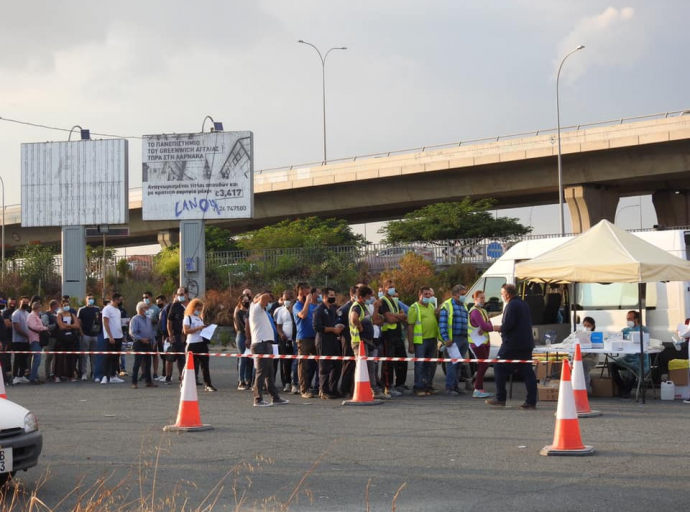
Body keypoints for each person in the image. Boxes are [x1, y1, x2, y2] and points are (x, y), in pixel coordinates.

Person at [486, 284, 537, 409]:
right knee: (527, 372)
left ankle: (500, 397)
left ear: (508, 294)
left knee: (498, 366)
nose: (502, 296)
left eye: (502, 293)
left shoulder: (511, 305)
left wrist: (495, 328)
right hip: (526, 343)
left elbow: (508, 325)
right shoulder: (523, 304)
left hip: (513, 344)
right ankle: (531, 401)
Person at [249, 291, 289, 407]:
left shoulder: (261, 310)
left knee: (270, 372)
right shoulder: (255, 308)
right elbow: (265, 296)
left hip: (266, 343)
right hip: (260, 343)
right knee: (261, 373)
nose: (268, 303)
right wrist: (258, 299)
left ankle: (275, 397)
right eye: (266, 302)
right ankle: (257, 399)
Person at [349, 286, 388, 399]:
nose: (371, 298)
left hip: (368, 342)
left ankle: (374, 390)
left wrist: (376, 309)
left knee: (370, 366)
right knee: (362, 367)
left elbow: (374, 320)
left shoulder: (364, 307)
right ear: (361, 297)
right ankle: (361, 391)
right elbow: (354, 319)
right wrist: (360, 328)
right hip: (359, 342)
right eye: (368, 296)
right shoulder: (356, 307)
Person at [608, 310, 650, 399]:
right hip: (628, 357)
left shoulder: (643, 329)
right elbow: (616, 338)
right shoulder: (625, 330)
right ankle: (621, 386)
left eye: (630, 319)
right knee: (612, 364)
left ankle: (626, 391)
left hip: (639, 358)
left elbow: (644, 342)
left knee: (632, 367)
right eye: (627, 319)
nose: (628, 321)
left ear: (636, 319)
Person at [439, 285, 471, 396]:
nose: (464, 296)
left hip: (463, 338)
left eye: (464, 294)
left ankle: (456, 386)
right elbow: (442, 324)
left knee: (459, 364)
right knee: (452, 364)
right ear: (455, 294)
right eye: (462, 294)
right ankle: (449, 387)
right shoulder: (447, 306)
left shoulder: (464, 306)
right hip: (453, 340)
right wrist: (446, 339)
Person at [313, 287, 344, 399]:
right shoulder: (319, 310)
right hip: (323, 341)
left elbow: (336, 321)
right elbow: (317, 327)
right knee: (324, 367)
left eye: (334, 295)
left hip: (334, 340)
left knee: (337, 365)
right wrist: (332, 329)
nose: (333, 297)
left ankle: (332, 389)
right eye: (331, 295)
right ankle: (323, 390)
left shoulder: (332, 309)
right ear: (325, 297)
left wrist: (338, 327)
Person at [407, 287, 439, 397]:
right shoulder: (414, 308)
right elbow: (410, 326)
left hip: (432, 339)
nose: (428, 296)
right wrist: (411, 344)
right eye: (426, 294)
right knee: (420, 364)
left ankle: (427, 385)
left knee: (430, 364)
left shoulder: (431, 306)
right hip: (421, 341)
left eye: (430, 294)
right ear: (419, 294)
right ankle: (418, 386)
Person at [379, 280, 408, 397]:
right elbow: (389, 319)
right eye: (390, 287)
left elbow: (404, 316)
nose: (392, 289)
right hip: (388, 335)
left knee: (402, 359)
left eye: (394, 287)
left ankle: (399, 385)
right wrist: (397, 317)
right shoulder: (383, 302)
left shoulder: (394, 301)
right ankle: (387, 386)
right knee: (388, 363)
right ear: (385, 288)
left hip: (397, 334)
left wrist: (394, 315)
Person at [183, 298, 216, 392]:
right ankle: (186, 383)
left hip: (201, 343)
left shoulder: (199, 318)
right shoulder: (188, 318)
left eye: (200, 309)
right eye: (198, 309)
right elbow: (186, 331)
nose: (199, 311)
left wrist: (205, 329)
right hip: (192, 344)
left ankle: (208, 384)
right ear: (193, 308)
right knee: (190, 366)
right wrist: (198, 328)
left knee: (205, 365)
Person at [294, 284, 320, 399]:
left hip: (315, 337)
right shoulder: (297, 306)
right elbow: (303, 315)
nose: (309, 295)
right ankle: (303, 389)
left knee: (321, 361)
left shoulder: (312, 306)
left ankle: (319, 386)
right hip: (303, 338)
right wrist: (307, 302)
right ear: (300, 293)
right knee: (303, 365)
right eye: (306, 293)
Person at [467, 290, 495, 399]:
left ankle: (479, 388)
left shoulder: (483, 310)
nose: (483, 300)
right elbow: (485, 326)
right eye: (481, 298)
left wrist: (486, 327)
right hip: (476, 342)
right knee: (483, 364)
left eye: (484, 298)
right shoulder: (474, 311)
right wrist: (486, 328)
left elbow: (489, 324)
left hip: (485, 341)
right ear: (475, 299)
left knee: (484, 364)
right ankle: (478, 388)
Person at [336, 286, 359, 398]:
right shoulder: (345, 309)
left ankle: (352, 388)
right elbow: (339, 324)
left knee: (356, 365)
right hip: (347, 339)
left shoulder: (358, 306)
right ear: (352, 294)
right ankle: (344, 389)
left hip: (356, 339)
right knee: (348, 364)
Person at [129, 301, 158, 389]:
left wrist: (153, 341)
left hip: (148, 343)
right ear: (141, 309)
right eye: (145, 308)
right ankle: (134, 382)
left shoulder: (148, 319)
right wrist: (141, 339)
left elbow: (151, 331)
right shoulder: (135, 319)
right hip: (139, 343)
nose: (147, 310)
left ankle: (148, 381)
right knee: (137, 363)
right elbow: (132, 332)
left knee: (148, 363)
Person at [165, 288, 188, 385]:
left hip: (188, 336)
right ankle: (168, 376)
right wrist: (170, 335)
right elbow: (169, 321)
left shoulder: (191, 305)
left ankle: (182, 376)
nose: (180, 296)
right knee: (172, 356)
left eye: (182, 294)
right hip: (176, 335)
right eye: (178, 294)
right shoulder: (175, 306)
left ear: (187, 294)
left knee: (183, 358)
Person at [274, 290, 296, 393]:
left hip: (295, 340)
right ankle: (287, 383)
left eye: (289, 299)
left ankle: (295, 382)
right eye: (285, 299)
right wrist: (281, 334)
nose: (286, 301)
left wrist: (291, 309)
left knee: (295, 362)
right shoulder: (280, 311)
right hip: (285, 341)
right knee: (286, 362)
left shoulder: (296, 309)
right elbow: (278, 326)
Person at [54, 298, 81, 382]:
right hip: (62, 339)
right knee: (60, 358)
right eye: (65, 305)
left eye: (67, 305)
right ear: (62, 306)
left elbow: (77, 326)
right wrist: (71, 325)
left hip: (71, 339)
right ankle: (57, 375)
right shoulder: (59, 315)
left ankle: (70, 375)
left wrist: (68, 325)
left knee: (71, 357)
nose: (66, 306)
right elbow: (61, 326)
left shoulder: (72, 315)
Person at [102, 293, 126, 384]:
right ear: (115, 299)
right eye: (120, 300)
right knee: (108, 357)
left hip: (118, 336)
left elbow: (118, 324)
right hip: (110, 337)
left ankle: (113, 376)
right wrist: (110, 336)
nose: (121, 302)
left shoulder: (118, 310)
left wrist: (122, 336)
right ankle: (105, 376)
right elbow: (106, 323)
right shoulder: (107, 309)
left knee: (116, 357)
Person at [77, 294, 101, 381]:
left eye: (92, 298)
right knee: (84, 355)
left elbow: (100, 321)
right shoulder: (82, 310)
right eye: (89, 299)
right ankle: (84, 373)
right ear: (86, 300)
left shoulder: (97, 309)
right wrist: (81, 333)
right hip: (85, 335)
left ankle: (94, 373)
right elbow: (78, 322)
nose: (91, 300)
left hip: (95, 335)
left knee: (94, 356)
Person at [26, 301, 48, 384]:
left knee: (36, 359)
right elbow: (33, 326)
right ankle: (33, 378)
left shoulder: (37, 316)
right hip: (34, 339)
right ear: (37, 308)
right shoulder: (31, 316)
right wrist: (44, 328)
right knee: (37, 359)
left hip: (38, 339)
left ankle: (35, 376)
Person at [234, 293, 253, 390]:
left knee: (250, 359)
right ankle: (241, 381)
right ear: (241, 302)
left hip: (250, 336)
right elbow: (241, 326)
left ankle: (248, 379)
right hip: (242, 336)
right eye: (244, 300)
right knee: (243, 358)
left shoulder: (250, 312)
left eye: (248, 300)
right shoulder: (239, 313)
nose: (246, 302)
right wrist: (247, 336)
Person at [11, 297, 31, 384]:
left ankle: (21, 375)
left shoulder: (27, 313)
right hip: (18, 341)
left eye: (27, 302)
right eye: (24, 302)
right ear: (20, 302)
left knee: (24, 359)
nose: (25, 304)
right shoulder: (16, 314)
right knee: (18, 359)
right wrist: (27, 335)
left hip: (26, 341)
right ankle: (15, 376)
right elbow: (17, 328)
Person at [143, 291, 161, 380]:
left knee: (154, 354)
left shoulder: (156, 308)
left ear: (150, 297)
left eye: (147, 297)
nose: (145, 299)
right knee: (143, 355)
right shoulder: (141, 307)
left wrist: (154, 321)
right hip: (143, 335)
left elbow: (160, 320)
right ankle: (144, 373)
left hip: (154, 334)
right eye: (144, 297)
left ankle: (155, 372)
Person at [581, 316, 598, 395]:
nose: (586, 327)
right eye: (585, 325)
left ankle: (585, 390)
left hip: (591, 358)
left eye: (588, 326)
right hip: (579, 357)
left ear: (593, 326)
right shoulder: (579, 334)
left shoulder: (595, 336)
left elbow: (593, 350)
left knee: (583, 365)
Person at [42, 300, 59, 382]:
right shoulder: (46, 315)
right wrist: (55, 325)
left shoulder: (55, 315)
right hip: (49, 338)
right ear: (53, 306)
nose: (57, 308)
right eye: (57, 306)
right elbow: (46, 326)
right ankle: (47, 374)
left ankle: (53, 373)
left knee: (55, 357)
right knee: (49, 357)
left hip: (56, 338)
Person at [153, 295, 167, 381]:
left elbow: (165, 324)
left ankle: (167, 374)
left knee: (165, 356)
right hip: (158, 335)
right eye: (157, 302)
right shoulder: (161, 310)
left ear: (164, 300)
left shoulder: (166, 309)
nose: (158, 304)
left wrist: (163, 335)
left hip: (163, 335)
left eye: (159, 302)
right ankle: (163, 373)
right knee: (162, 355)